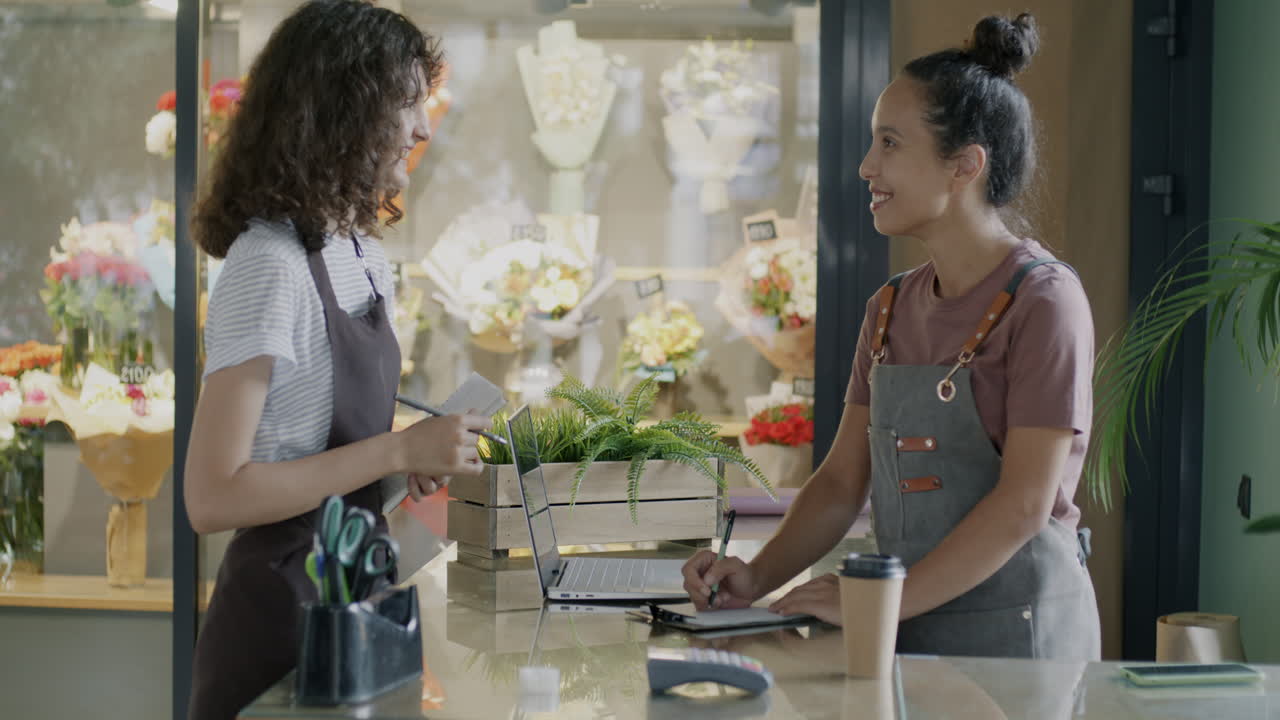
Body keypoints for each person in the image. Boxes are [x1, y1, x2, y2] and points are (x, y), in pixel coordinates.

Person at [682, 13, 1101, 661]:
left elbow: (1023, 504)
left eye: (890, 143)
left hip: (1024, 643)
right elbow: (840, 481)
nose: (865, 166)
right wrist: (756, 577)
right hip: (904, 634)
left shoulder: (1046, 301)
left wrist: (880, 601)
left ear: (964, 166)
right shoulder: (888, 309)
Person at [182, 3, 489, 718]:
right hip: (278, 623)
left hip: (357, 594)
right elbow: (213, 497)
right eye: (406, 104)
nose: (423, 128)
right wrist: (392, 448)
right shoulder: (268, 265)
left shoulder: (364, 257)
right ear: (342, 111)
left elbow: (333, 462)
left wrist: (404, 463)